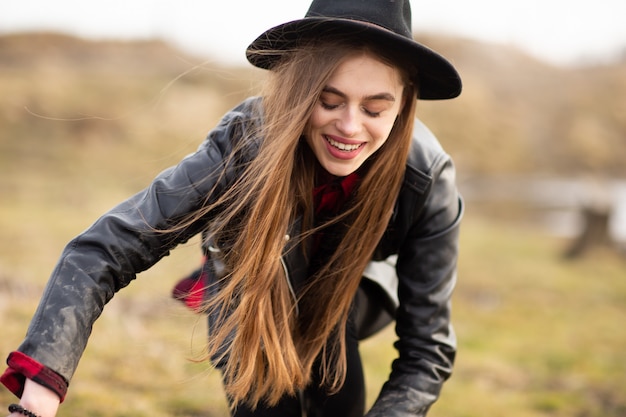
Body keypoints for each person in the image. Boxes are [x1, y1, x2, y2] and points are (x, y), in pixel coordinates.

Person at [2, 0, 464, 416]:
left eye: (375, 109)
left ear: (403, 106)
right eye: (328, 100)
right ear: (300, 89)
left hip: (343, 299)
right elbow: (106, 248)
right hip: (250, 292)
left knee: (340, 398)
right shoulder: (245, 141)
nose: (349, 126)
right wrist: (43, 385)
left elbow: (427, 349)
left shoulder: (427, 179)